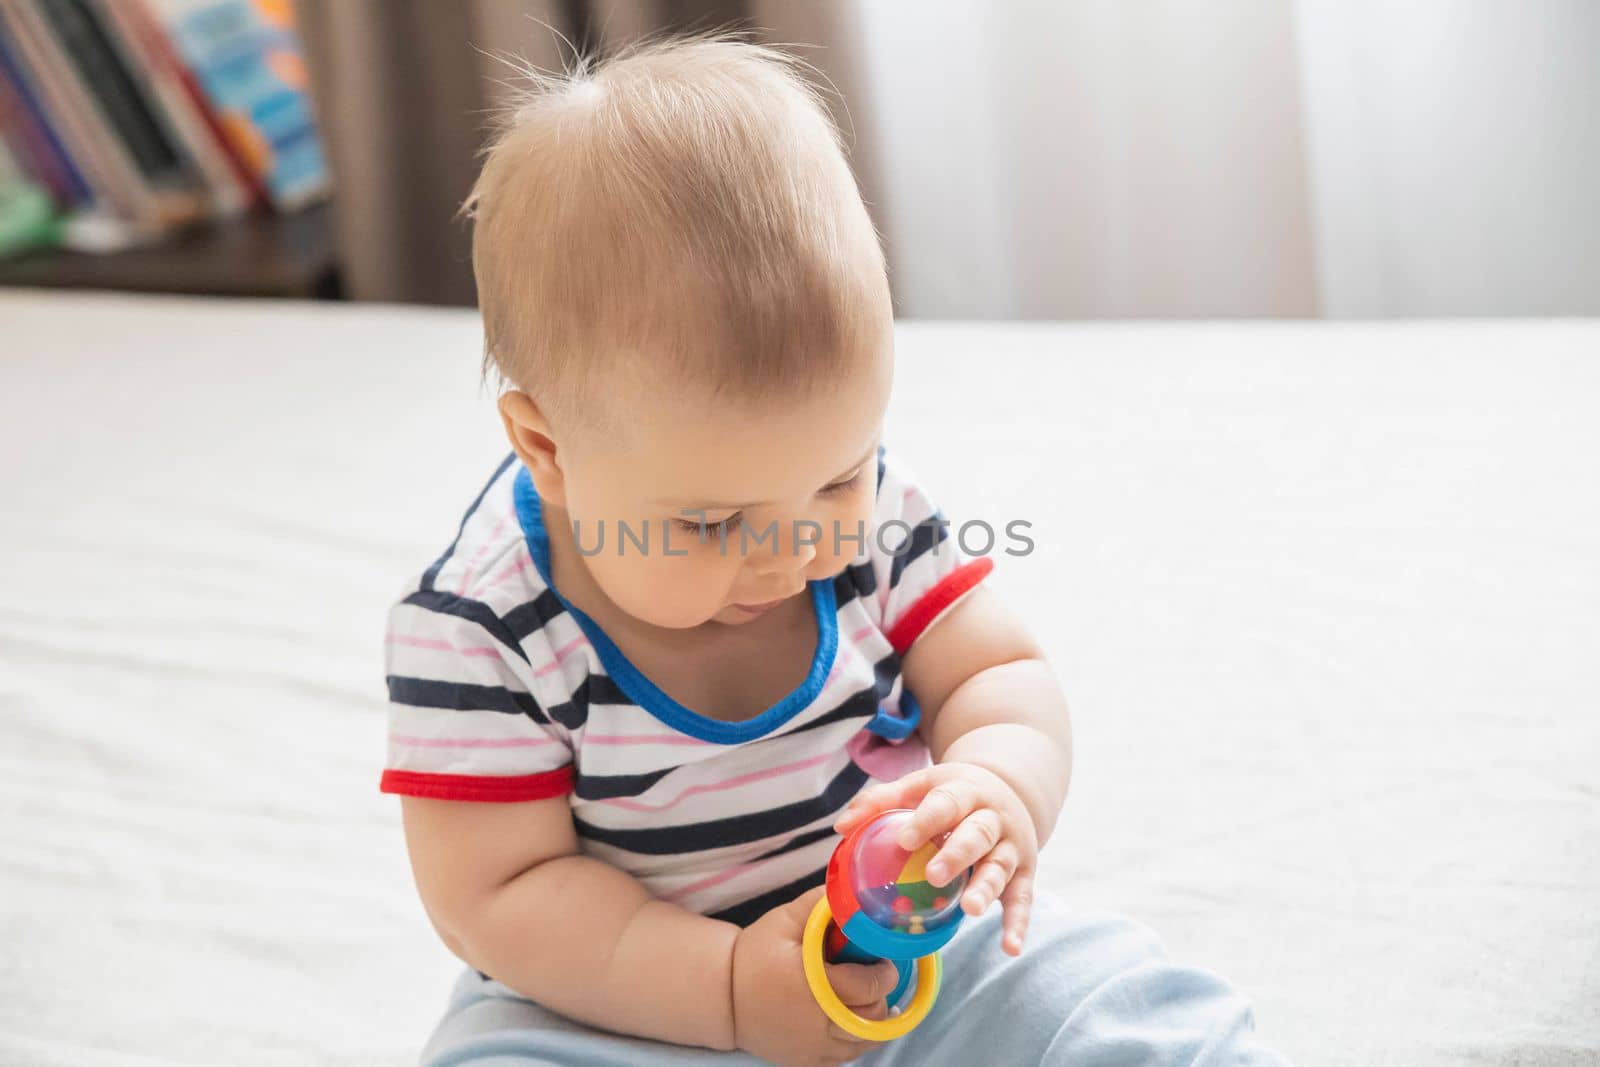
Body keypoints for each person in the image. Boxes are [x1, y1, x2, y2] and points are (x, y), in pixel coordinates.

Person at [380, 35, 1287, 1067]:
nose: (796, 547)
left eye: (836, 475)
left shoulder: (876, 511)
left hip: (908, 950)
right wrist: (724, 992)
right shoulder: (481, 628)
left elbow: (996, 668)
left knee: (1125, 1013)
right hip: (626, 1000)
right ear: (547, 448)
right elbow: (498, 895)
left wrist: (998, 783)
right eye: (714, 522)